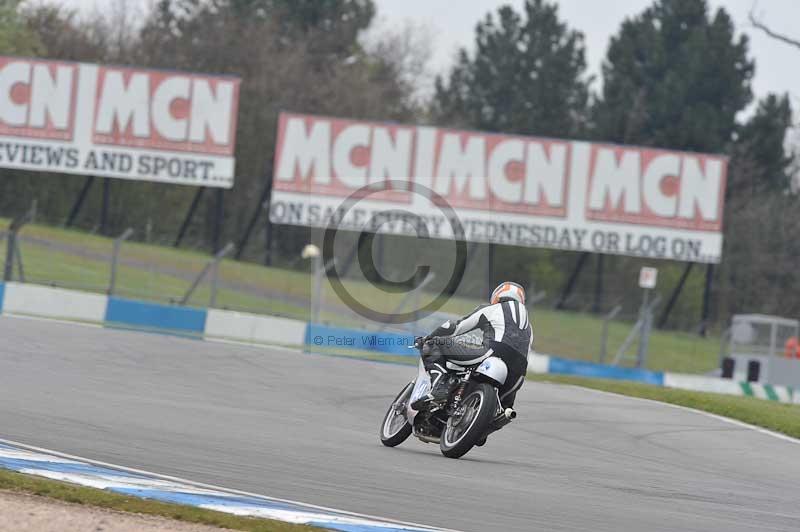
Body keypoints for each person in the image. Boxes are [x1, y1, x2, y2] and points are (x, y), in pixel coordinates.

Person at [414, 281, 532, 411]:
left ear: (497, 296)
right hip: (518, 375)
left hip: (492, 352)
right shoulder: (529, 328)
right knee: (501, 412)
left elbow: (454, 327)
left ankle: (440, 388)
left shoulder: (492, 309)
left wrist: (429, 337)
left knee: (433, 344)